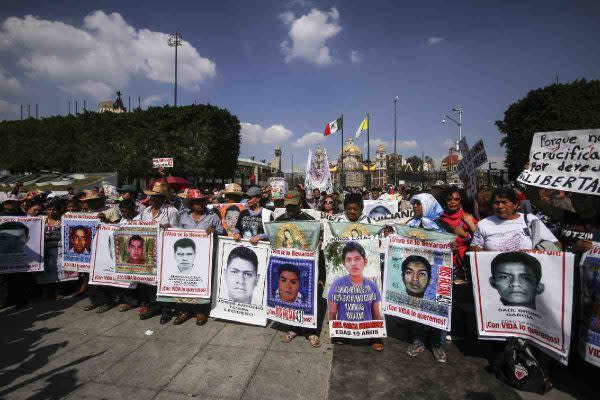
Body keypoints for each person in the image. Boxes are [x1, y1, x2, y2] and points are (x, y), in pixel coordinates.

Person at [328, 241, 383, 351]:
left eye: (357, 258)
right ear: (344, 263)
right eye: (348, 260)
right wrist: (335, 335)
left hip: (366, 336)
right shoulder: (337, 284)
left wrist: (376, 338)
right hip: (343, 337)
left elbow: (376, 314)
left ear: (365, 261)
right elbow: (332, 313)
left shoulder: (372, 286)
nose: (353, 263)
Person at [471, 186, 560, 252]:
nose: (500, 206)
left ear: (516, 205)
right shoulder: (483, 224)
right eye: (496, 203)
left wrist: (535, 252)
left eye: (505, 202)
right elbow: (474, 249)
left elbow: (557, 245)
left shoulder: (531, 220)